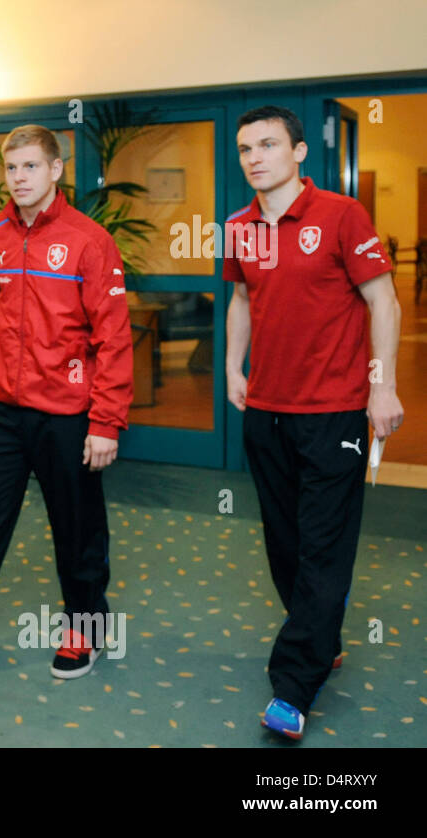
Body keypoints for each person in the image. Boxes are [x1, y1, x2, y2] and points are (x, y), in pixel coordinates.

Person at [0, 125, 133, 681]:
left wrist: (106, 422)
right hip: (3, 414)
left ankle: (87, 633)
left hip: (68, 416)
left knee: (78, 531)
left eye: (30, 167)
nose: (18, 179)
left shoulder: (90, 241)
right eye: (12, 169)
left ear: (56, 169)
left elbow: (113, 337)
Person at [224, 105, 403, 741]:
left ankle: (293, 686)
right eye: (246, 148)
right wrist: (231, 368)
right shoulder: (240, 226)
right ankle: (320, 634)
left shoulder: (341, 215)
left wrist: (381, 387)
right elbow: (242, 298)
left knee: (324, 549)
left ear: (300, 153)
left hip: (334, 414)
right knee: (285, 544)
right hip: (267, 411)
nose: (255, 157)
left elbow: (384, 298)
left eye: (268, 145)